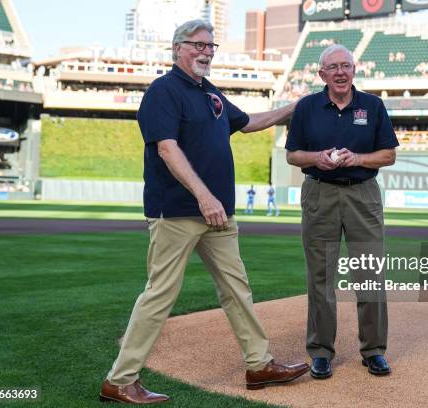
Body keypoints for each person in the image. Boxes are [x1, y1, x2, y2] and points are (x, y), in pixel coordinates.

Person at [100, 19, 309, 404]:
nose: (206, 52)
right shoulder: (163, 92)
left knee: (237, 289)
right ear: (178, 47)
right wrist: (203, 196)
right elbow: (166, 148)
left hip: (218, 215)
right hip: (179, 210)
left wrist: (296, 106)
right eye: (199, 45)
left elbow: (249, 123)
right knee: (160, 294)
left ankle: (259, 365)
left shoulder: (210, 93)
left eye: (211, 46)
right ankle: (121, 380)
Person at [285, 44, 399, 380]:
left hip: (363, 194)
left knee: (370, 273)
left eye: (345, 66)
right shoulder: (306, 107)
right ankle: (320, 352)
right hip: (319, 192)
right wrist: (316, 157)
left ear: (354, 70)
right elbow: (293, 155)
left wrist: (359, 158)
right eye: (332, 67)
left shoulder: (373, 106)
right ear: (322, 74)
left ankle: (374, 350)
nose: (340, 72)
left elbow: (389, 155)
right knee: (320, 277)